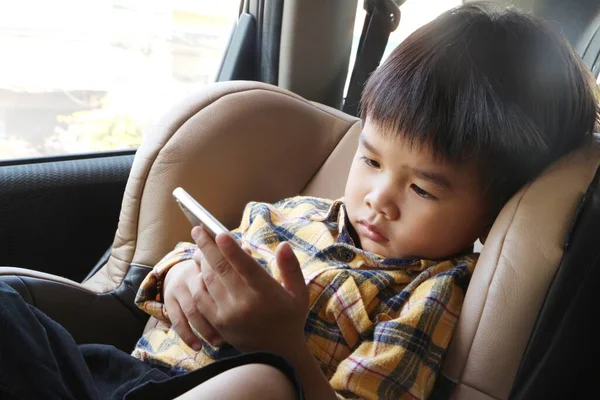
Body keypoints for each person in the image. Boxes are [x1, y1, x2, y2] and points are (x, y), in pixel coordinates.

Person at [0, 2, 597, 400]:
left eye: (421, 189)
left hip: (227, 389)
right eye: (369, 160)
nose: (378, 199)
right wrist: (179, 275)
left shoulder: (429, 293)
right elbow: (165, 279)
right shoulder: (289, 212)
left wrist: (280, 344)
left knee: (262, 384)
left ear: (494, 211)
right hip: (113, 373)